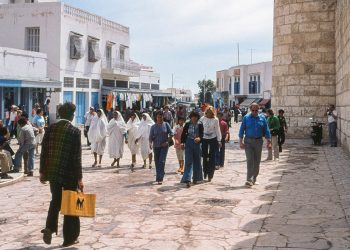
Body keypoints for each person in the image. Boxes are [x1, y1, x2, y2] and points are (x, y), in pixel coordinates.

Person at [39, 102, 83, 247]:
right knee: (70, 205)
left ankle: (50, 228)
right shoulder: (75, 131)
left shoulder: (50, 129)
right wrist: (79, 178)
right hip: (69, 174)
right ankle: (69, 239)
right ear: (71, 115)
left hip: (53, 172)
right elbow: (76, 158)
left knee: (55, 201)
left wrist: (42, 172)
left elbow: (44, 152)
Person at [239, 103, 271, 187]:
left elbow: (266, 130)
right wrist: (240, 141)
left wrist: (269, 141)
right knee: (250, 159)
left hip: (258, 141)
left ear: (258, 109)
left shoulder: (262, 118)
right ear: (250, 109)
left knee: (257, 161)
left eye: (256, 110)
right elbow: (242, 129)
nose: (254, 112)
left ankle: (254, 178)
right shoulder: (246, 118)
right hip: (248, 141)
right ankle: (249, 179)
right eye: (253, 110)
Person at [149, 111, 174, 185]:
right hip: (156, 147)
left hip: (164, 147)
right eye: (158, 117)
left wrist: (167, 142)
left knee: (162, 161)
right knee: (157, 162)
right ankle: (159, 174)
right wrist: (150, 143)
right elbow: (150, 137)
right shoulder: (153, 127)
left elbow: (172, 134)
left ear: (163, 117)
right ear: (156, 118)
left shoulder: (166, 124)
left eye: (161, 117)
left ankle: (160, 178)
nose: (160, 118)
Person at [180, 111, 204, 187]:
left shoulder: (200, 124)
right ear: (191, 117)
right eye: (193, 117)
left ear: (197, 117)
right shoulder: (187, 124)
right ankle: (187, 179)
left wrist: (199, 138)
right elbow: (183, 134)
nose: (194, 118)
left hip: (197, 144)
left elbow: (202, 134)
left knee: (197, 161)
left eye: (196, 117)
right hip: (188, 143)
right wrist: (182, 143)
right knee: (188, 161)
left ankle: (197, 178)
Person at [200, 106, 222, 182]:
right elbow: (199, 128)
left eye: (210, 113)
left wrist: (219, 141)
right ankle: (205, 172)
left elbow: (218, 130)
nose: (209, 114)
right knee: (205, 156)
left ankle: (210, 174)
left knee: (212, 157)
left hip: (213, 139)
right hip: (204, 138)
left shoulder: (215, 120)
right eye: (207, 113)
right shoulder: (202, 119)